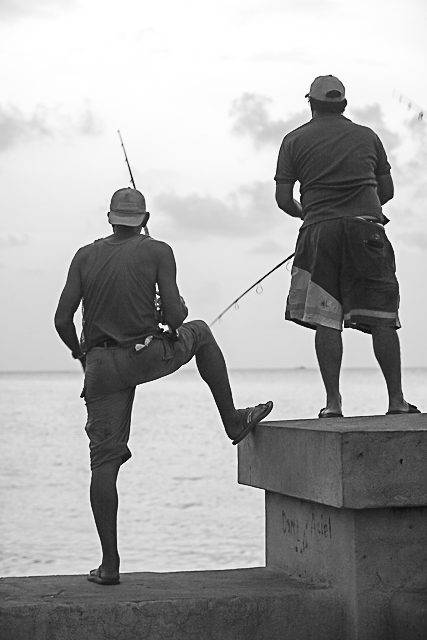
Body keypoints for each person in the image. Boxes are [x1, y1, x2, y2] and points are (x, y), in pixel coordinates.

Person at [54, 187, 273, 585]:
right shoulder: (158, 250)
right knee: (201, 331)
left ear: (109, 218)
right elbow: (175, 317)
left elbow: (61, 320)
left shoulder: (84, 255)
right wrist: (176, 315)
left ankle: (109, 565)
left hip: (100, 366)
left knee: (103, 464)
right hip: (144, 355)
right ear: (144, 218)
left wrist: (81, 354)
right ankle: (232, 421)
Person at [274, 75, 419, 419]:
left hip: (318, 233)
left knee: (327, 319)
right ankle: (396, 401)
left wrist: (307, 214)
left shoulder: (293, 140)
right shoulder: (368, 136)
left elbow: (283, 199)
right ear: (344, 104)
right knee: (383, 318)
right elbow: (387, 192)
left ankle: (334, 404)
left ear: (311, 103)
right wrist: (363, 208)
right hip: (366, 229)